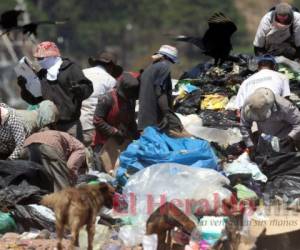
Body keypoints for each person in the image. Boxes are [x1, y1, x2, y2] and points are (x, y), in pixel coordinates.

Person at [17, 41, 93, 140]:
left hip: (70, 125)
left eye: (41, 58)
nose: (39, 61)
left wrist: (80, 90)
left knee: (75, 152)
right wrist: (24, 87)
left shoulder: (70, 68)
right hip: (50, 126)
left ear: (52, 56)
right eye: (37, 59)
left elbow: (88, 87)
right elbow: (35, 100)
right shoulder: (42, 74)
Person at [93, 72, 140, 172]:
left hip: (123, 144)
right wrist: (114, 132)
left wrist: (137, 136)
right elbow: (97, 121)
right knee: (103, 173)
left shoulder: (130, 101)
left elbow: (131, 120)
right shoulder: (106, 99)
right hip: (103, 144)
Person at [138, 45, 185, 136]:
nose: (170, 64)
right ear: (166, 58)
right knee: (179, 133)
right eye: (171, 61)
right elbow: (160, 92)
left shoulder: (150, 68)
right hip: (156, 118)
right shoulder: (164, 67)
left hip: (144, 119)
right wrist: (167, 114)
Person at [240, 87, 300, 158]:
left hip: (285, 135)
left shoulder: (284, 106)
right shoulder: (249, 105)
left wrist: (290, 137)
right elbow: (244, 126)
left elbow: (298, 123)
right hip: (266, 136)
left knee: (288, 158)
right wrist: (250, 145)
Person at [80, 51, 122, 146]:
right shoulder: (111, 81)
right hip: (94, 126)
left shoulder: (82, 73)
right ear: (111, 67)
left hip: (77, 123)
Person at [23, 130, 87, 191]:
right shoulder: (81, 149)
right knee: (61, 183)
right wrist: (73, 182)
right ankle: (64, 201)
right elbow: (70, 167)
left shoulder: (69, 140)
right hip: (49, 143)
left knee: (37, 179)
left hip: (28, 143)